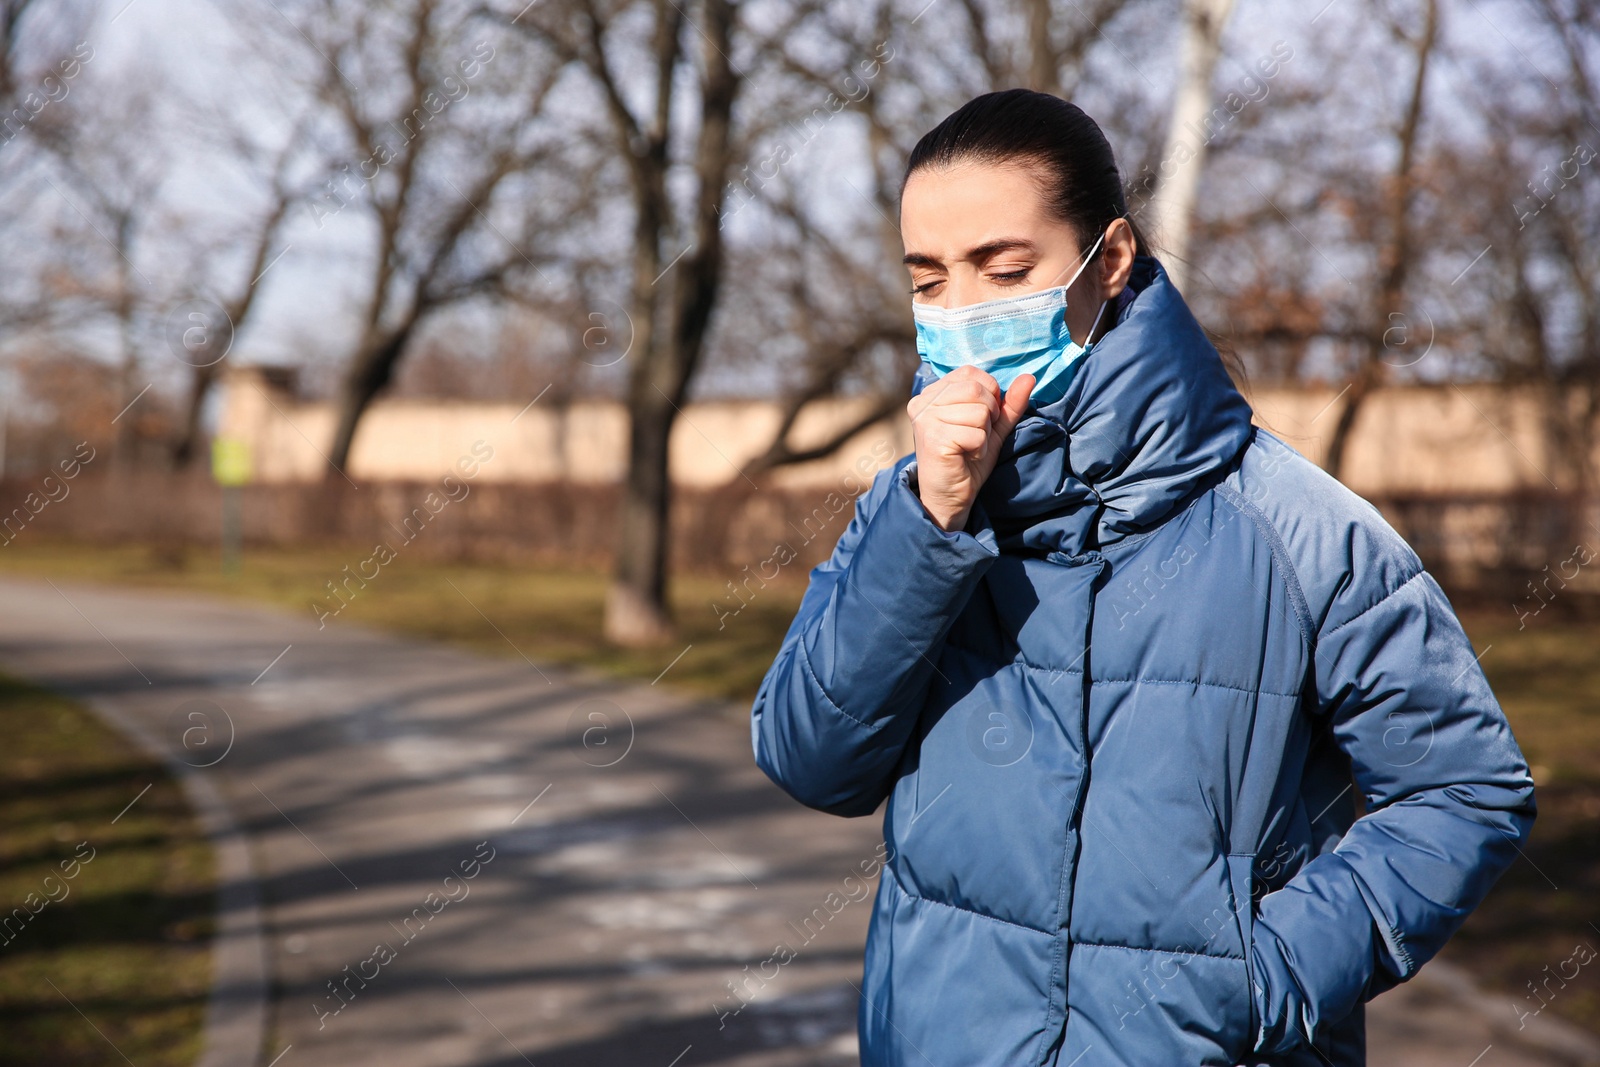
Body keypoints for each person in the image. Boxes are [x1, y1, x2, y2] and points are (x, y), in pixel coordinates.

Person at [748, 88, 1536, 1067]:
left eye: (1002, 270)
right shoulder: (916, 508)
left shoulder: (1299, 528)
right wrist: (926, 523)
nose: (960, 312)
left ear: (1108, 259)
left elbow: (1465, 788)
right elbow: (809, 758)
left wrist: (1264, 975)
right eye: (926, 281)